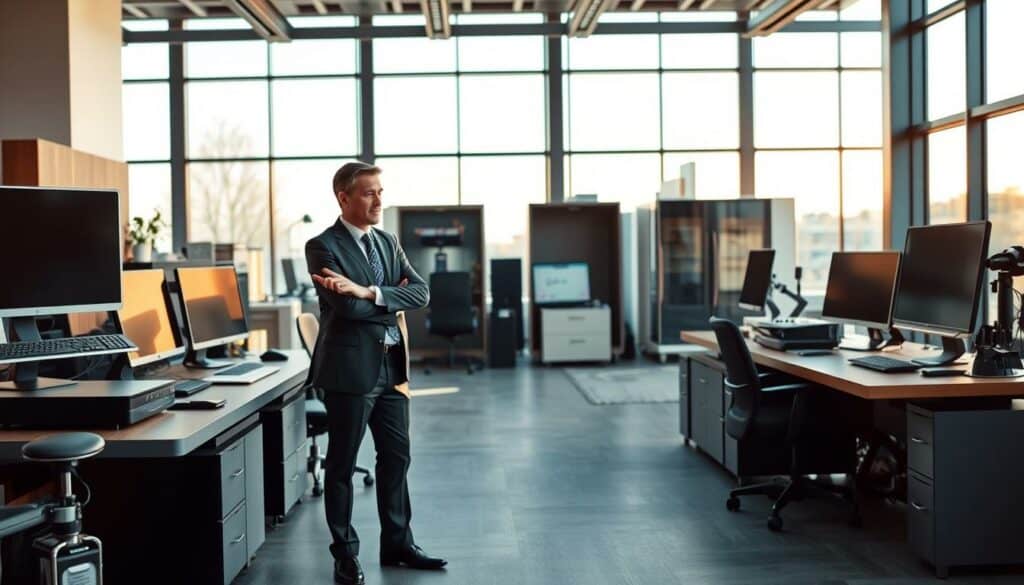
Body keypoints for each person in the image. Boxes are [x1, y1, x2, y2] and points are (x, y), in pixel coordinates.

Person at [305, 161, 446, 585]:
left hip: (392, 366)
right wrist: (385, 299)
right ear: (343, 197)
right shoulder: (322, 246)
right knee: (342, 465)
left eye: (381, 192)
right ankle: (345, 554)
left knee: (397, 457)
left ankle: (398, 544)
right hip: (349, 370)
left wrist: (367, 291)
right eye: (369, 193)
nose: (378, 201)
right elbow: (346, 308)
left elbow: (421, 292)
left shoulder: (387, 241)